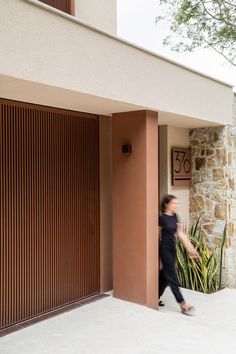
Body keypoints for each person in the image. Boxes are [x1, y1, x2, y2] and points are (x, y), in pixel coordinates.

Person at [158, 194, 198, 315]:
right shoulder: (162, 218)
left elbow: (180, 234)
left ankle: (155, 295)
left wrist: (190, 248)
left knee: (166, 273)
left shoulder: (175, 216)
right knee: (172, 275)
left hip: (172, 246)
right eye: (174, 203)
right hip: (164, 247)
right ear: (167, 204)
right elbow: (156, 234)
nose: (176, 205)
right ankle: (182, 304)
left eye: (177, 203)